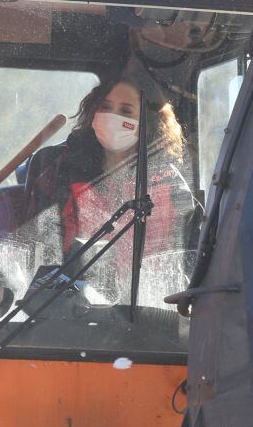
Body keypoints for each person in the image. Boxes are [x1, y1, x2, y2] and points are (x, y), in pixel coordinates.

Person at [25, 74, 199, 304]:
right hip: (70, 308)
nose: (113, 117)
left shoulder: (171, 184)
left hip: (155, 306)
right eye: (106, 107)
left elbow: (190, 257)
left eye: (126, 111)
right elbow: (43, 254)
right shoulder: (61, 172)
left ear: (149, 121)